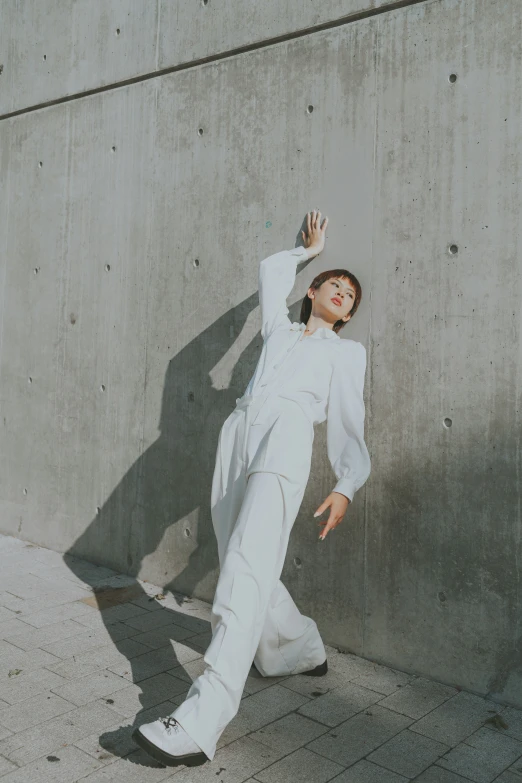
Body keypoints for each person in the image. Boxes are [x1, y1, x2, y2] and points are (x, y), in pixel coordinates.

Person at [133, 210, 371, 767]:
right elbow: (269, 273)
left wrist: (347, 483)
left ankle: (200, 720)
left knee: (244, 565)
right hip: (237, 433)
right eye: (334, 284)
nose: (343, 293)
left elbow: (347, 421)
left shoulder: (344, 354)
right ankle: (299, 647)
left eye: (351, 295)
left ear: (350, 315)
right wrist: (306, 252)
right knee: (241, 556)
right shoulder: (278, 330)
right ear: (312, 292)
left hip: (286, 438)